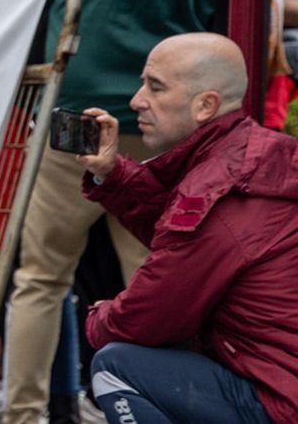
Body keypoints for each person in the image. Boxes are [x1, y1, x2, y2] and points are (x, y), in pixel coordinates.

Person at [0, 0, 224, 424]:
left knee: (42, 279)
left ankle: (22, 416)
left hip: (74, 122)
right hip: (167, 135)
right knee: (158, 285)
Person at [77, 33, 298, 424]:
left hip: (278, 402)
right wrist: (112, 176)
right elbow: (185, 239)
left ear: (205, 105)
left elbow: (149, 317)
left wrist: (97, 318)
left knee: (115, 364)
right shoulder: (255, 155)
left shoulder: (218, 189)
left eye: (155, 87)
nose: (136, 100)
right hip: (278, 383)